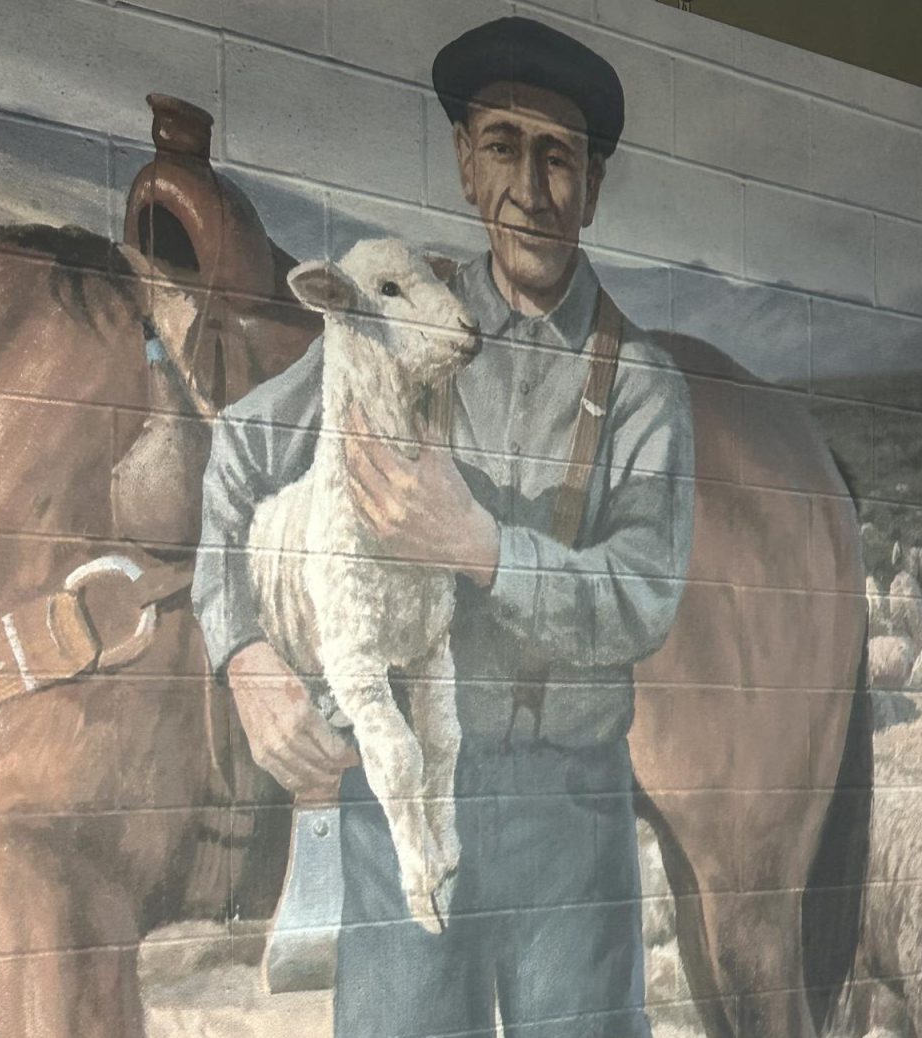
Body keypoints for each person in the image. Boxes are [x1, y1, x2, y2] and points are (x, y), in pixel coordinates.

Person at [193, 16, 694, 1038]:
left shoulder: (641, 387)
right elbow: (242, 453)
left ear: (593, 185)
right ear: (467, 168)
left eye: (560, 157)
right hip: (409, 796)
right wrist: (242, 652)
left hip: (570, 816)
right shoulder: (392, 310)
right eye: (503, 147)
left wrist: (482, 547)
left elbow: (643, 597)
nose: (531, 189)